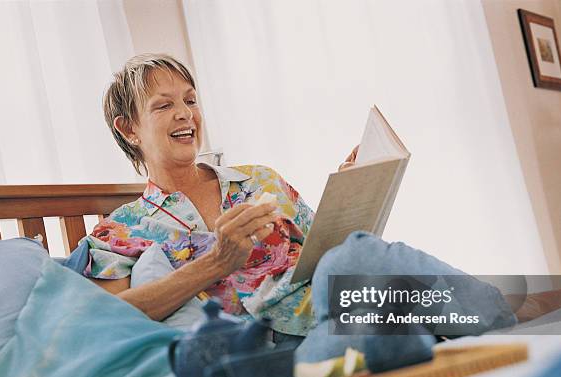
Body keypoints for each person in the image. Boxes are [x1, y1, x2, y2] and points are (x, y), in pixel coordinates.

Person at [83, 53, 356, 338]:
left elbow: (334, 252)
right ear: (129, 129)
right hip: (260, 355)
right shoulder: (120, 230)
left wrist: (350, 197)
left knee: (396, 286)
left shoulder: (261, 179)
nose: (185, 114)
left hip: (338, 314)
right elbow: (108, 318)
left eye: (190, 101)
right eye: (164, 105)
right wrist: (217, 262)